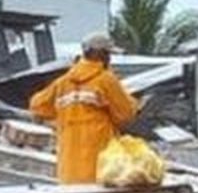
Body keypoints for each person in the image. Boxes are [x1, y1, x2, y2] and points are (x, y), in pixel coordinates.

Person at [29, 32, 138, 184]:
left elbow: (37, 106)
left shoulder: (63, 82)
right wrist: (133, 103)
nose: (110, 59)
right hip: (100, 165)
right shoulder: (106, 80)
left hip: (68, 167)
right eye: (108, 54)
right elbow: (126, 115)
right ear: (102, 54)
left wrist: (59, 118)